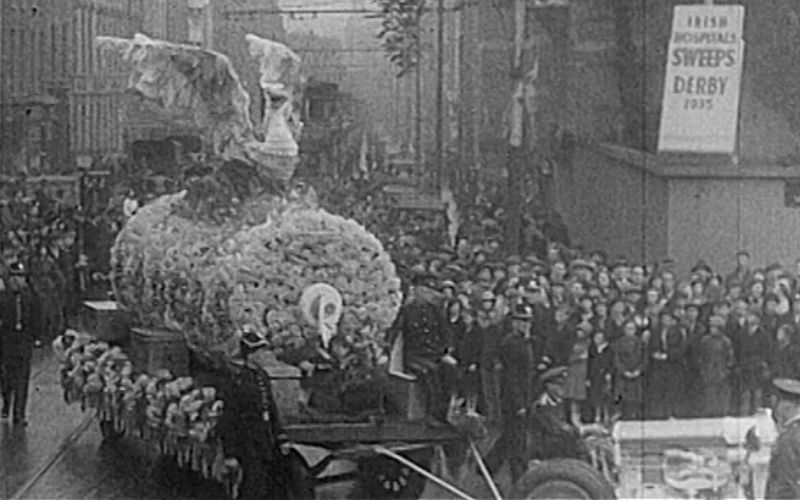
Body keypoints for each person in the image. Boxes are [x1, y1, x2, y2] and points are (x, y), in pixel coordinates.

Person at [485, 304, 536, 484]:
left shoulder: (522, 342)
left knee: (510, 437)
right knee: (517, 440)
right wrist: (520, 404)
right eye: (521, 321)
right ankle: (519, 478)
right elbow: (512, 377)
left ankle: (488, 466)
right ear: (514, 323)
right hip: (514, 399)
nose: (525, 325)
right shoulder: (512, 344)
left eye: (527, 321)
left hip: (521, 396)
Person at [0, 261, 40, 425]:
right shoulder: (3, 298)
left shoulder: (31, 297)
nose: (18, 280)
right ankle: (6, 403)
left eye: (21, 277)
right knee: (6, 377)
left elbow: (38, 317)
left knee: (22, 378)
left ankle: (19, 414)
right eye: (14, 277)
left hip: (23, 340)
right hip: (6, 340)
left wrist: (36, 336)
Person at [765, 378, 800, 499]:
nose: (776, 410)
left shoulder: (788, 438)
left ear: (788, 407)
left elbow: (784, 482)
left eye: (778, 404)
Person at [698, 316, 734, 418]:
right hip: (709, 371)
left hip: (721, 371)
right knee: (709, 392)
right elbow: (701, 356)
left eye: (715, 327)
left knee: (721, 393)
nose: (712, 329)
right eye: (711, 327)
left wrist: (726, 370)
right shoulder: (705, 340)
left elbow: (730, 357)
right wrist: (703, 370)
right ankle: (709, 411)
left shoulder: (725, 341)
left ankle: (721, 411)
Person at [614, 320, 646, 420]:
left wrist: (639, 370)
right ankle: (625, 416)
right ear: (624, 330)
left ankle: (636, 416)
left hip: (637, 374)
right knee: (624, 397)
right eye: (628, 329)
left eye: (632, 329)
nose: (630, 331)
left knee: (637, 397)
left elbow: (645, 359)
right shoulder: (618, 343)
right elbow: (616, 359)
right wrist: (624, 371)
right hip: (623, 374)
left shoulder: (641, 342)